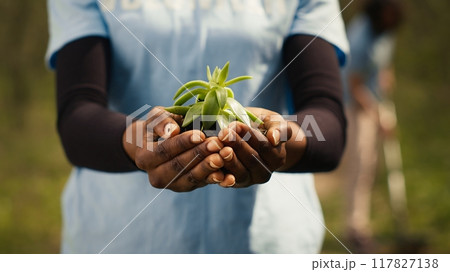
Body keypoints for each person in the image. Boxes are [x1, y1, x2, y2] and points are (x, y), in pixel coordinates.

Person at [46, 0, 349, 253]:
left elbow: (328, 122)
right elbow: (78, 113)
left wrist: (278, 139)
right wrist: (134, 140)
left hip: (266, 243)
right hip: (123, 239)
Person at [342, 0, 404, 253]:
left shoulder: (386, 32)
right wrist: (377, 116)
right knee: (360, 164)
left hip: (374, 102)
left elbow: (382, 64)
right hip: (355, 107)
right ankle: (355, 228)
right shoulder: (359, 36)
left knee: (369, 165)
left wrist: (385, 76)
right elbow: (354, 84)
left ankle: (363, 223)